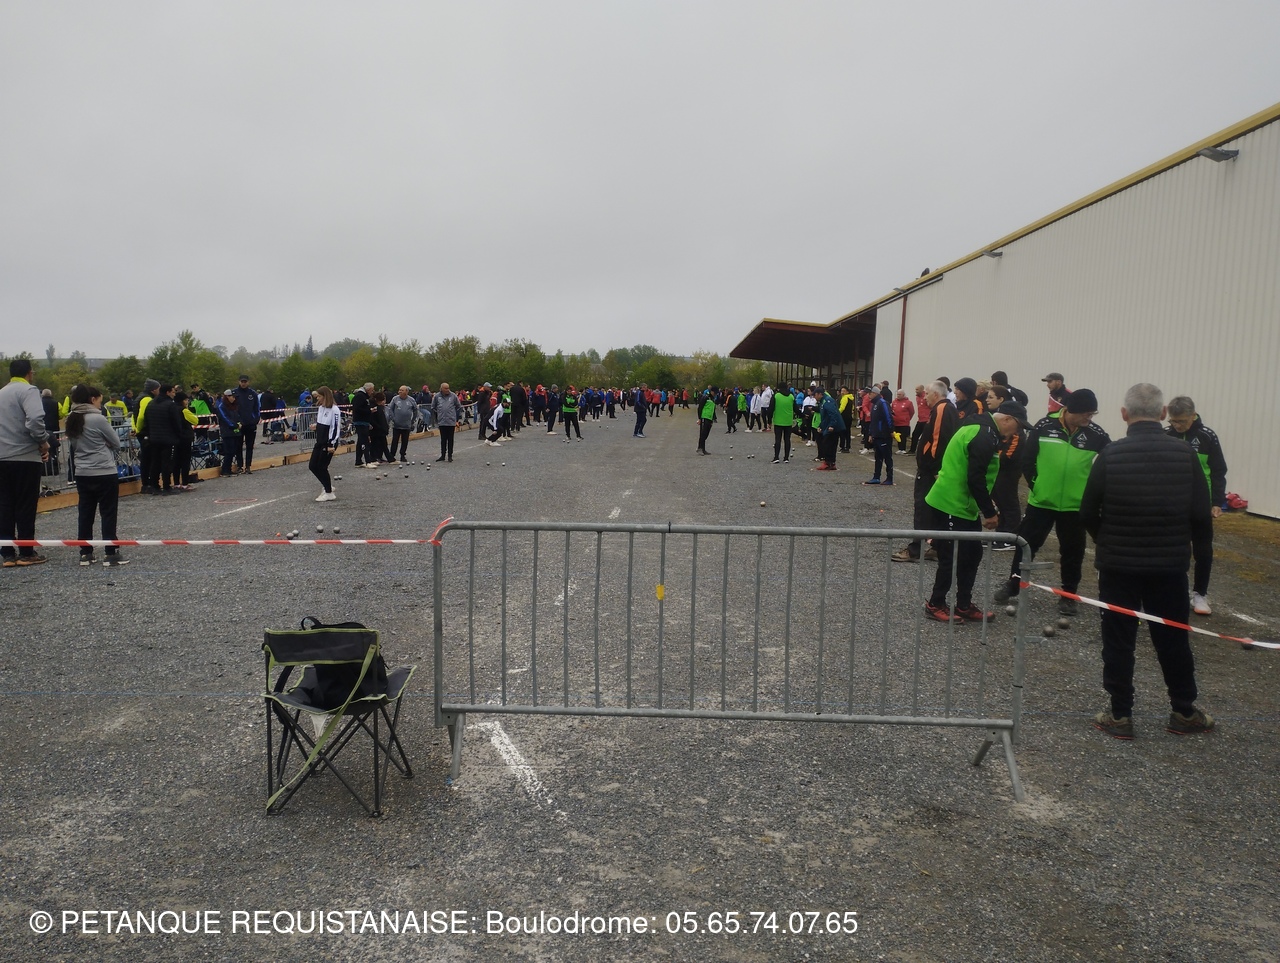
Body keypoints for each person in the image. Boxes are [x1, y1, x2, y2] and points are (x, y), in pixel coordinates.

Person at [1081, 383, 1214, 739]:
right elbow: (1201, 516)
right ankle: (1183, 710)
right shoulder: (1184, 455)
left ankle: (1120, 714)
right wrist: (1194, 556)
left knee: (1118, 640)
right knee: (1173, 638)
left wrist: (1106, 541)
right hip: (1169, 567)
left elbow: (1088, 511)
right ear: (1163, 413)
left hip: (1118, 567)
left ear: (1124, 414)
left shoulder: (1110, 454)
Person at [994, 389, 1109, 612]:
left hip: (1074, 506)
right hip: (1041, 502)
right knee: (1026, 544)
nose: (1090, 418)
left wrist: (1093, 494)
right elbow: (1028, 460)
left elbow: (1109, 462)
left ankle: (1068, 595)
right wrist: (1037, 485)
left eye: (1092, 414)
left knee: (1073, 551)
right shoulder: (1045, 425)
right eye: (1087, 413)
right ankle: (1014, 583)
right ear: (1071, 410)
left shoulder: (1096, 434)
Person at [923, 400, 1027, 622]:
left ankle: (963, 604)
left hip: (964, 505)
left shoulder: (983, 429)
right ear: (1007, 419)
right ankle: (935, 603)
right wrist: (989, 512)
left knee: (972, 555)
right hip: (950, 503)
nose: (1016, 432)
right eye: (1017, 426)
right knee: (951, 556)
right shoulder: (983, 434)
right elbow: (975, 477)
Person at [1165, 396, 1227, 616]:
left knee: (1203, 550)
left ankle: (1200, 594)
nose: (1177, 425)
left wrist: (1217, 501)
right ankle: (1172, 591)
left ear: (1193, 415)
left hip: (1200, 503)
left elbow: (1218, 471)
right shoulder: (1166, 435)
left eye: (1181, 421)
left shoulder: (1207, 436)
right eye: (1173, 421)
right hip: (1172, 503)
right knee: (1172, 548)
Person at [64, 384, 129, 566]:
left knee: (85, 512)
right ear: (92, 399)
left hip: (82, 471)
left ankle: (86, 553)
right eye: (100, 400)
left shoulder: (71, 419)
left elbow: (74, 445)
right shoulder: (97, 419)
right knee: (108, 512)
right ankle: (110, 552)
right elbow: (116, 443)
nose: (101, 404)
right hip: (103, 470)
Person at [893, 381, 955, 563]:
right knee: (936, 509)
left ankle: (915, 550)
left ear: (935, 394)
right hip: (933, 468)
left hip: (930, 471)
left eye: (927, 393)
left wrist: (934, 467)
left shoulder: (942, 409)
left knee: (923, 509)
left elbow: (938, 440)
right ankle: (936, 547)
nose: (924, 397)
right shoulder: (943, 409)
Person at [0, 359, 51, 567]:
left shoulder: (2, 392)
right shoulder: (29, 391)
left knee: (5, 505)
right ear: (30, 373)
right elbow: (35, 419)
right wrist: (43, 442)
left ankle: (7, 553)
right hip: (25, 457)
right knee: (25, 505)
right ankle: (26, 551)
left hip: (2, 457)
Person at [309, 386, 341, 501]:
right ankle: (327, 485)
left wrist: (331, 444)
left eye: (319, 396)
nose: (317, 398)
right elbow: (322, 423)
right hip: (320, 441)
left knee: (322, 466)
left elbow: (335, 427)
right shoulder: (321, 408)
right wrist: (316, 426)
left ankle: (329, 493)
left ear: (325, 396)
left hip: (329, 442)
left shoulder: (334, 409)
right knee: (312, 465)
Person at [864, 386, 895, 485]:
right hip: (876, 435)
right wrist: (871, 434)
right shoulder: (874, 404)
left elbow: (888, 417)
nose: (868, 395)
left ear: (875, 393)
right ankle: (876, 477)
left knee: (887, 457)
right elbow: (873, 421)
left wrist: (891, 430)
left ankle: (889, 478)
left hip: (884, 435)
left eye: (870, 393)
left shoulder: (883, 403)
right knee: (878, 457)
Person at [430, 382, 464, 462]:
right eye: (445, 388)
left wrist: (456, 417)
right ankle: (443, 455)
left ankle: (450, 455)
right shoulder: (437, 396)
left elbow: (458, 406)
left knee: (450, 439)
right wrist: (439, 413)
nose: (447, 390)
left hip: (451, 421)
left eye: (448, 388)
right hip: (442, 421)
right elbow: (433, 407)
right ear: (441, 389)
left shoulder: (453, 396)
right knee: (443, 439)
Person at [232, 375, 260, 472]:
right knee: (238, 446)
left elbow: (257, 408)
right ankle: (239, 466)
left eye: (245, 382)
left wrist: (256, 419)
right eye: (242, 382)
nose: (243, 383)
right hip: (239, 424)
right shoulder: (234, 393)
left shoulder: (253, 393)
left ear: (248, 382)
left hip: (250, 424)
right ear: (239, 382)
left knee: (250, 446)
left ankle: (248, 466)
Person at [814, 387, 842, 471]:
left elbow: (833, 414)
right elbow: (825, 417)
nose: (814, 397)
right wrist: (821, 426)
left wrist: (832, 425)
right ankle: (830, 463)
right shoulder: (823, 402)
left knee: (827, 444)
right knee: (829, 444)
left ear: (820, 394)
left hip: (833, 427)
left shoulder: (827, 401)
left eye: (815, 395)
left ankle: (828, 462)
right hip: (828, 425)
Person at [215, 390, 242, 476]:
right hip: (227, 431)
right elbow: (225, 418)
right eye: (232, 397)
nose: (234, 399)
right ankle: (225, 470)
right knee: (229, 451)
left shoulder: (233, 406)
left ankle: (228, 469)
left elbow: (237, 416)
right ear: (227, 397)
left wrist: (239, 423)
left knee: (233, 451)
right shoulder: (221, 406)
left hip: (234, 431)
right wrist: (234, 425)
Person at [387, 385, 417, 462]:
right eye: (399, 390)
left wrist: (412, 420)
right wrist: (393, 418)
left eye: (402, 390)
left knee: (405, 441)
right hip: (397, 424)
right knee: (395, 440)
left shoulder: (411, 400)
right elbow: (390, 409)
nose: (399, 391)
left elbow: (415, 410)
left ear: (406, 392)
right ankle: (392, 455)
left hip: (407, 425)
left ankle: (402, 455)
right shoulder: (395, 399)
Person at [769, 382, 794, 464]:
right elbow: (796, 408)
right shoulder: (791, 396)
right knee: (787, 440)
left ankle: (776, 457)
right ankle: (786, 458)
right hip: (788, 421)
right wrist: (803, 415)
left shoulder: (776, 396)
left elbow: (771, 409)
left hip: (778, 421)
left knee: (778, 440)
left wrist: (769, 421)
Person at [351, 382, 374, 466]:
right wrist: (369, 410)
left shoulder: (364, 396)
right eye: (372, 390)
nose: (372, 392)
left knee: (360, 441)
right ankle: (368, 461)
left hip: (364, 421)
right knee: (365, 441)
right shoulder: (360, 396)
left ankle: (358, 461)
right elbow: (357, 408)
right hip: (360, 421)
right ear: (368, 389)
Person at [696, 388, 716, 455]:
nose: (715, 394)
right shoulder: (705, 397)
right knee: (703, 434)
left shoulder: (713, 399)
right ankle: (700, 448)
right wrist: (699, 418)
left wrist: (713, 419)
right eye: (715, 393)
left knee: (706, 434)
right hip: (704, 417)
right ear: (712, 391)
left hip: (709, 418)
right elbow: (700, 408)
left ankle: (703, 449)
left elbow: (713, 410)